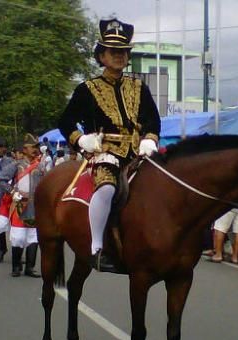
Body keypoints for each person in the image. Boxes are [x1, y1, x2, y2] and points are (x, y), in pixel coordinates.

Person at [58, 18, 161, 272]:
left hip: (138, 152)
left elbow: (153, 120)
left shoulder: (139, 87)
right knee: (105, 189)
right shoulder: (87, 89)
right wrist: (81, 139)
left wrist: (149, 138)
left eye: (123, 52)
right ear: (101, 56)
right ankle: (96, 247)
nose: (119, 56)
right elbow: (65, 121)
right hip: (106, 153)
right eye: (113, 52)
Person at [0, 135, 44, 278]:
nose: (35, 150)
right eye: (32, 147)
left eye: (36, 147)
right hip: (20, 205)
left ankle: (30, 267)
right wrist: (12, 192)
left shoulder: (41, 166)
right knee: (18, 237)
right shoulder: (16, 166)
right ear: (25, 149)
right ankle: (16, 267)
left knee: (33, 236)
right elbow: (2, 180)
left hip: (35, 205)